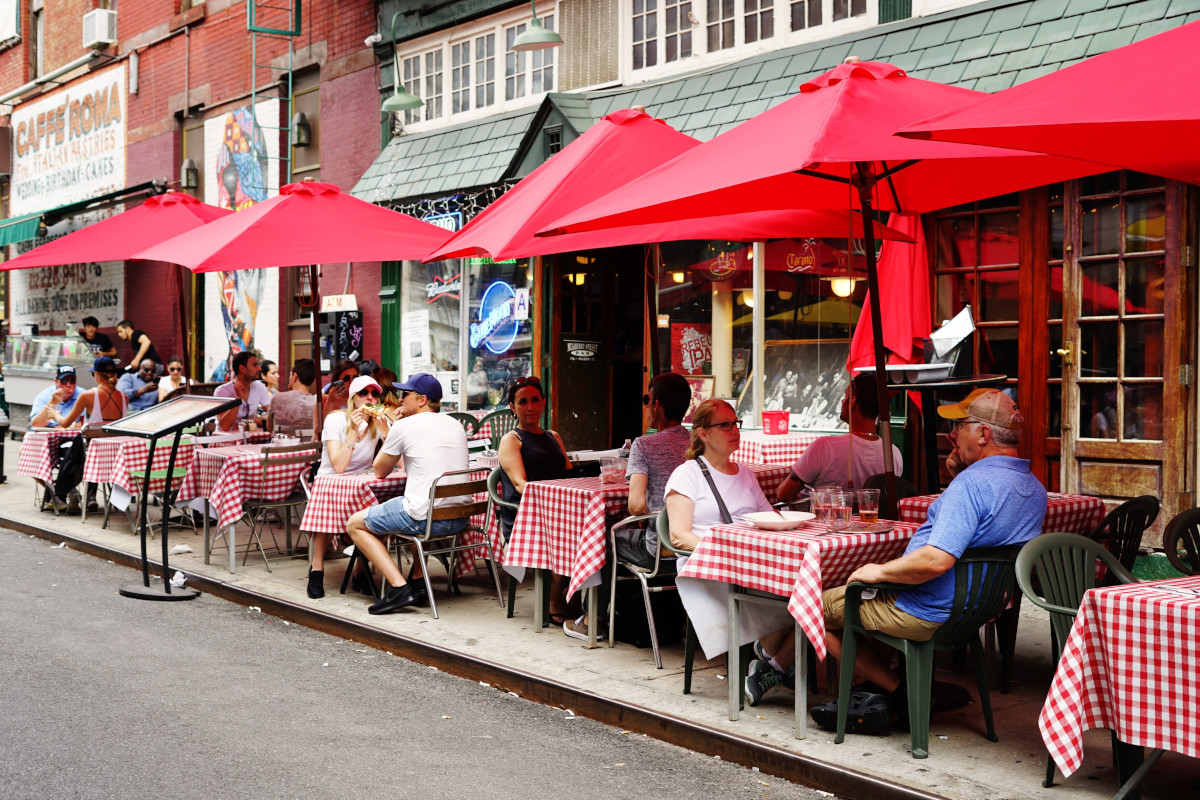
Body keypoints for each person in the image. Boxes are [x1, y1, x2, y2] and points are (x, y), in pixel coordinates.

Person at [795, 388, 1048, 732]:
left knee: (809, 604)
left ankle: (899, 692)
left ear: (984, 434)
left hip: (924, 608)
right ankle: (879, 690)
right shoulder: (1033, 486)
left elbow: (934, 561)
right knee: (862, 599)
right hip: (975, 611)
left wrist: (877, 570)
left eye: (960, 427)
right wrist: (960, 469)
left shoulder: (973, 485)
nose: (952, 435)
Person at [318, 373, 469, 611]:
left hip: (427, 519)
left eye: (405, 395)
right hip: (459, 517)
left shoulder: (404, 426)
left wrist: (390, 430)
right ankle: (418, 580)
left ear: (422, 400)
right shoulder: (455, 424)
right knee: (412, 503)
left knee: (355, 523)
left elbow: (379, 471)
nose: (399, 400)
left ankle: (399, 587)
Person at [576, 372, 693, 640]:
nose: (647, 406)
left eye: (647, 399)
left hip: (659, 549)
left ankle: (594, 620)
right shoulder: (697, 442)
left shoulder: (645, 444)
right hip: (692, 544)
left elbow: (637, 504)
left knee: (604, 534)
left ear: (658, 405)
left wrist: (642, 516)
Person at [495, 376, 580, 627]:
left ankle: (581, 594)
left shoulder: (554, 436)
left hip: (556, 510)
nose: (530, 407)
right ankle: (555, 598)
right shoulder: (511, 440)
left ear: (543, 402)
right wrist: (553, 504)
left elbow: (567, 474)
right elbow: (521, 485)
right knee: (565, 530)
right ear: (513, 407)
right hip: (525, 516)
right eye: (523, 402)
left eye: (535, 400)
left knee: (592, 528)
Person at [663, 399, 772, 552]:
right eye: (725, 425)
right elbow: (679, 535)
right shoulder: (686, 474)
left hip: (749, 559)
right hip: (709, 566)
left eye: (735, 423)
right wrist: (722, 553)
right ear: (703, 434)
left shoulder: (746, 474)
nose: (735, 430)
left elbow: (770, 517)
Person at [776, 372, 903, 502]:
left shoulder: (825, 447)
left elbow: (783, 494)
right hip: (872, 520)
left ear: (852, 401)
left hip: (820, 520)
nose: (842, 401)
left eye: (845, 396)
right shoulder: (893, 454)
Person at [317, 376, 389, 476]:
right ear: (353, 398)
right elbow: (339, 467)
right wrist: (353, 431)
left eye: (374, 394)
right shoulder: (334, 419)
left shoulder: (380, 422)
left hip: (362, 483)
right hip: (331, 481)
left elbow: (401, 464)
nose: (369, 397)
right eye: (363, 393)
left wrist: (386, 434)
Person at [58, 357, 128, 427]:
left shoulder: (87, 395)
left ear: (96, 373)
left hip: (94, 437)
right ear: (115, 374)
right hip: (118, 437)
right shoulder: (124, 397)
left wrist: (54, 414)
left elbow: (65, 423)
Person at [214, 351, 272, 432]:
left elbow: (273, 417)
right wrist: (238, 399)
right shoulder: (221, 391)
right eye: (255, 365)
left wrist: (251, 421)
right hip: (225, 440)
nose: (260, 368)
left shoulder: (259, 387)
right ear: (242, 369)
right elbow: (224, 426)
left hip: (250, 438)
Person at [266, 358, 318, 433]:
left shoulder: (277, 398)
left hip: (282, 444)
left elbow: (270, 428)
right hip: (310, 444)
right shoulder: (316, 403)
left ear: (294, 376)